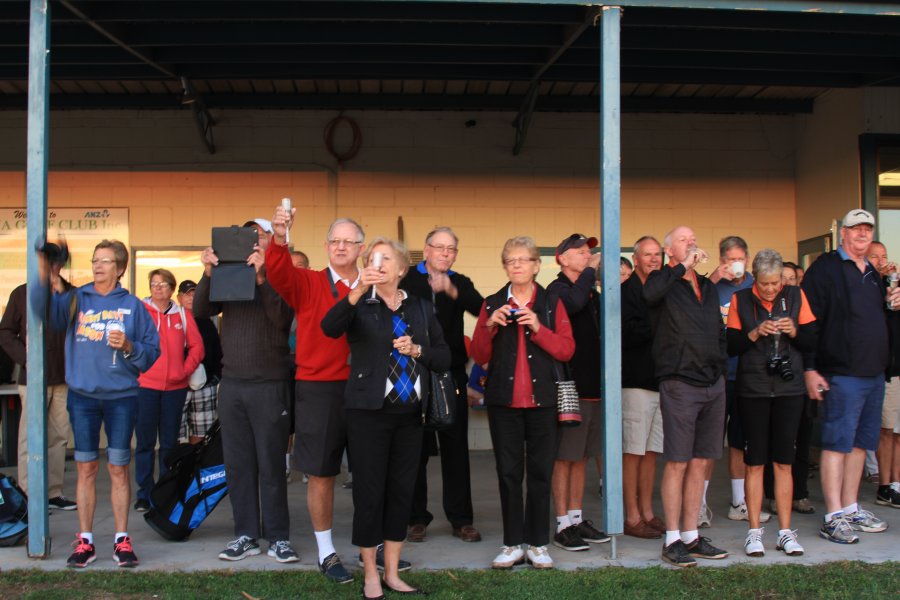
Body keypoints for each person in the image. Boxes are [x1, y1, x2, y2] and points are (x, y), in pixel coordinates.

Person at [322, 237, 450, 599]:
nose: (376, 262)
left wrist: (419, 349)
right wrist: (357, 289)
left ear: (401, 269)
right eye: (371, 258)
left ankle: (392, 573)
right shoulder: (361, 303)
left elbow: (443, 356)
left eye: (384, 257)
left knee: (401, 494)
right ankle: (370, 577)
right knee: (369, 494)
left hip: (410, 417)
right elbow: (329, 328)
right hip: (367, 416)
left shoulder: (422, 309)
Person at [33, 239, 160, 568]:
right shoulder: (77, 299)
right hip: (83, 398)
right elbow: (47, 313)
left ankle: (121, 540)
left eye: (105, 261)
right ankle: (85, 541)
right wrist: (48, 273)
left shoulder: (134, 306)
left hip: (122, 399)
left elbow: (151, 354)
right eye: (94, 260)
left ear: (119, 269)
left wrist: (130, 345)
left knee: (119, 469)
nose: (97, 266)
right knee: (85, 468)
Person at [267, 209, 368, 584]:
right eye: (334, 241)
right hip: (319, 388)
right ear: (326, 247)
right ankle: (326, 551)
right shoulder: (308, 282)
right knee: (322, 473)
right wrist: (280, 237)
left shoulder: (374, 284)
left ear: (360, 248)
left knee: (370, 472)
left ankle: (370, 548)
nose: (341, 247)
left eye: (348, 241)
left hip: (365, 390)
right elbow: (278, 273)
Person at [194, 218, 297, 563]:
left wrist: (262, 277)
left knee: (271, 465)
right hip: (233, 383)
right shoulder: (228, 275)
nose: (254, 242)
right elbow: (201, 310)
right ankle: (246, 535)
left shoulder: (281, 277)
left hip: (270, 384)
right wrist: (209, 273)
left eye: (261, 236)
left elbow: (283, 319)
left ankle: (278, 537)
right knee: (239, 466)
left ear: (269, 242)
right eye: (249, 236)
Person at [471, 236, 575, 570]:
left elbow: (566, 349)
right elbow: (479, 354)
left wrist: (537, 327)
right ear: (505, 266)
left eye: (523, 259)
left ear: (535, 265)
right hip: (504, 403)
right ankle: (512, 543)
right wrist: (490, 325)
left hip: (543, 402)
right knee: (508, 474)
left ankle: (539, 544)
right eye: (510, 260)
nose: (516, 265)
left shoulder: (550, 303)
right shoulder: (491, 303)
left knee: (542, 474)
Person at [802, 209, 899, 544]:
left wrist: (890, 303)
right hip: (840, 373)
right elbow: (808, 321)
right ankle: (833, 517)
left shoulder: (871, 272)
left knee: (859, 444)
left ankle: (850, 506)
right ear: (843, 232)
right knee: (837, 444)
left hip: (873, 373)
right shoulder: (825, 269)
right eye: (856, 228)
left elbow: (874, 318)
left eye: (867, 229)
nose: (862, 234)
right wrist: (810, 367)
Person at [643, 226, 728, 568]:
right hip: (680, 382)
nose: (691, 242)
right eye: (682, 239)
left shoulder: (706, 285)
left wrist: (719, 366)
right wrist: (679, 267)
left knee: (701, 461)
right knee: (677, 461)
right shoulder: (662, 281)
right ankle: (672, 538)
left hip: (712, 382)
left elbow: (719, 329)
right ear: (669, 251)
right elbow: (649, 296)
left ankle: (692, 536)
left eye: (693, 237)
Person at [726, 249, 817, 557]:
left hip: (789, 389)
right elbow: (731, 345)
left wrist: (794, 330)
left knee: (784, 461)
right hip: (753, 388)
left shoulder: (794, 295)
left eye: (775, 283)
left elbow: (812, 339)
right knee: (755, 462)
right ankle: (754, 533)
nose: (769, 289)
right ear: (755, 277)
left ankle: (786, 533)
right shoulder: (740, 299)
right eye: (764, 283)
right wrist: (754, 332)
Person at [400, 227, 484, 544]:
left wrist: (450, 290)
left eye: (451, 249)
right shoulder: (406, 279)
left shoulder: (459, 282)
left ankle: (461, 520)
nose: (445, 254)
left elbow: (481, 309)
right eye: (440, 248)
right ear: (427, 249)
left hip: (451, 375)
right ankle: (416, 518)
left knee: (455, 450)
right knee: (415, 450)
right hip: (413, 373)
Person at [0, 243, 76, 511]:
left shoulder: (71, 294)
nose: (51, 268)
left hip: (64, 377)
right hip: (32, 379)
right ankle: (27, 492)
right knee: (29, 436)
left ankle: (53, 492)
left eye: (54, 264)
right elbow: (5, 332)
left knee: (58, 437)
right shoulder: (21, 293)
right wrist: (26, 359)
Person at [546, 233, 610, 551]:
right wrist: (589, 274)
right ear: (562, 257)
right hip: (571, 385)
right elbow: (570, 305)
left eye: (589, 251)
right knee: (565, 456)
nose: (588, 255)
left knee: (583, 456)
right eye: (581, 251)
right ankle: (561, 523)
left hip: (595, 385)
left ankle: (575, 517)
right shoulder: (557, 289)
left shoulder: (591, 291)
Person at [706, 236, 769, 527]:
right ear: (722, 260)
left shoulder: (755, 287)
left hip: (747, 375)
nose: (736, 263)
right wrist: (710, 279)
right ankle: (698, 505)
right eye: (731, 258)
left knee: (741, 443)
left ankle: (739, 502)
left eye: (741, 256)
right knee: (709, 443)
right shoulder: (710, 286)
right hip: (716, 375)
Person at [133, 269, 204, 512]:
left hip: (175, 389)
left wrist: (184, 370)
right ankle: (144, 493)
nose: (157, 288)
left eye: (162, 284)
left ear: (171, 288)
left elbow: (197, 347)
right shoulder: (140, 312)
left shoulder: (182, 315)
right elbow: (127, 342)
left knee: (169, 443)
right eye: (153, 284)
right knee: (144, 443)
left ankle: (164, 491)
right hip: (145, 386)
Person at [620, 235, 665, 539]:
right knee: (633, 452)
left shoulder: (663, 290)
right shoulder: (626, 292)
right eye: (647, 255)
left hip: (661, 381)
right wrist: (660, 326)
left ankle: (647, 512)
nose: (653, 259)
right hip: (635, 382)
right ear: (635, 259)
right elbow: (629, 333)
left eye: (657, 255)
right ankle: (631, 516)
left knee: (652, 452)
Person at [865, 241, 900, 508]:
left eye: (884, 256)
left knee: (898, 432)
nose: (880, 261)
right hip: (887, 369)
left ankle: (896, 482)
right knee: (886, 430)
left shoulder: (894, 289)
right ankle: (885, 485)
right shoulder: (869, 290)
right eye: (874, 257)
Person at [176, 279, 223, 444]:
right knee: (177, 433)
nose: (190, 298)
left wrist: (215, 377)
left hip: (204, 386)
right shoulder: (172, 321)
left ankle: (195, 468)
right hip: (177, 385)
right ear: (178, 298)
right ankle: (179, 468)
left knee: (202, 433)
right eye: (186, 295)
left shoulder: (207, 323)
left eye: (194, 295)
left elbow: (217, 352)